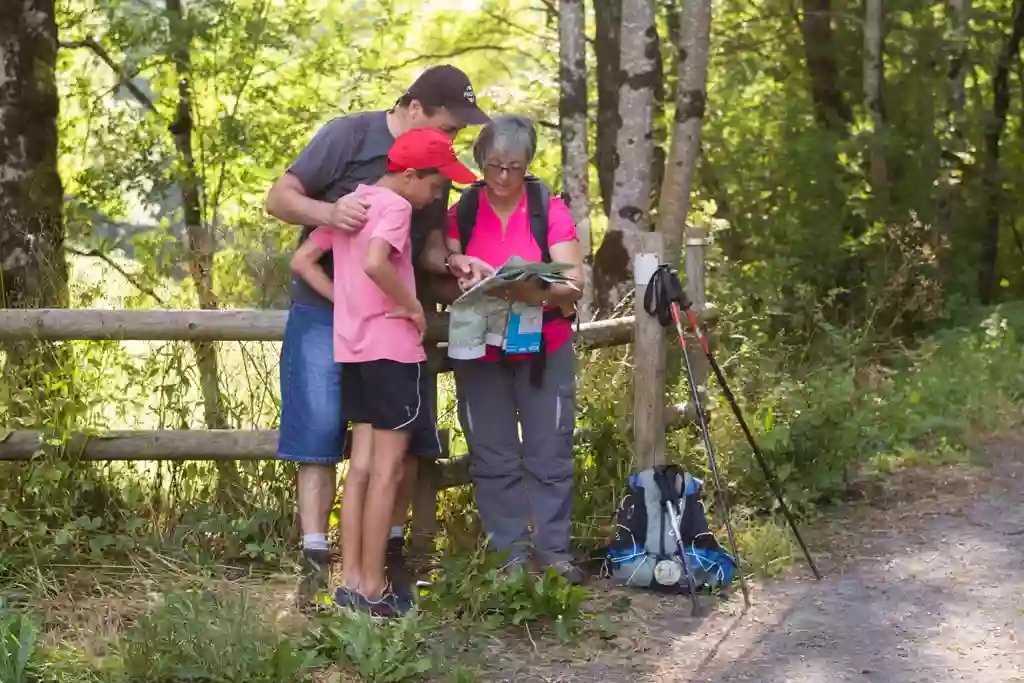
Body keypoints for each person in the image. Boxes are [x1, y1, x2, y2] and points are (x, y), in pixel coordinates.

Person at [265, 65, 493, 610]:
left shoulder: (421, 173)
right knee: (323, 436)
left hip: (365, 322)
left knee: (379, 458)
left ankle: (370, 571)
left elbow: (428, 245)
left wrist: (452, 261)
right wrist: (405, 301)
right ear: (415, 109)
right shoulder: (350, 137)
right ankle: (323, 566)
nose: (453, 137)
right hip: (365, 328)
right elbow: (281, 199)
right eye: (448, 124)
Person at [444, 115, 586, 584]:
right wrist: (458, 266)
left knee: (550, 451)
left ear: (528, 164)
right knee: (493, 454)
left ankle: (553, 553)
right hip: (482, 349)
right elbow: (442, 263)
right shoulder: (463, 210)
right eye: (494, 166)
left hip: (544, 345)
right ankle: (510, 557)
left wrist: (532, 291)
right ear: (480, 162)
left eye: (515, 167)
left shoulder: (547, 207)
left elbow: (574, 282)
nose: (504, 178)